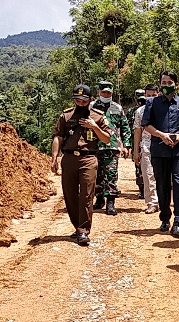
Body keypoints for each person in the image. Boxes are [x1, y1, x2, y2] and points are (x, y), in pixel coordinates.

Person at [51, 84, 112, 245]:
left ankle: (84, 230)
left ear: (91, 100)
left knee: (86, 195)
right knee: (70, 195)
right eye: (77, 100)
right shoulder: (66, 116)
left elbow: (106, 138)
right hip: (69, 158)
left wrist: (94, 126)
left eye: (84, 101)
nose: (80, 103)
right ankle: (77, 226)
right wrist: (54, 158)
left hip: (88, 159)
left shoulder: (98, 116)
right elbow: (58, 137)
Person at [141, 71, 179, 238]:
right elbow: (146, 125)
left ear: (176, 84)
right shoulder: (152, 103)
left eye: (169, 82)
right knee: (162, 185)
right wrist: (161, 135)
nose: (166, 85)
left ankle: (178, 222)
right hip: (159, 150)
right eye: (164, 82)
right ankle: (165, 218)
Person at [90, 81, 132, 216]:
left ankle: (110, 202)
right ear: (98, 92)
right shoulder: (91, 107)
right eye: (103, 92)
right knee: (97, 175)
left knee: (111, 174)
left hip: (112, 146)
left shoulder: (117, 108)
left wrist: (126, 145)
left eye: (108, 92)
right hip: (94, 146)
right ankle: (99, 197)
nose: (106, 94)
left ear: (112, 93)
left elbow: (125, 127)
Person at [133, 84, 160, 214]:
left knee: (163, 175)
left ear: (158, 94)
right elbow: (137, 131)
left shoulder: (165, 109)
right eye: (148, 96)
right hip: (146, 145)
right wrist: (135, 151)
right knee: (148, 174)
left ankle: (164, 201)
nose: (150, 98)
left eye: (153, 95)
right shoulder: (140, 111)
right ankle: (152, 202)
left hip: (163, 145)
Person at [132, 88, 146, 200]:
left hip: (147, 141)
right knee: (138, 167)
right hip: (137, 141)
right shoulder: (133, 111)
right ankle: (141, 188)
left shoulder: (149, 108)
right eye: (138, 95)